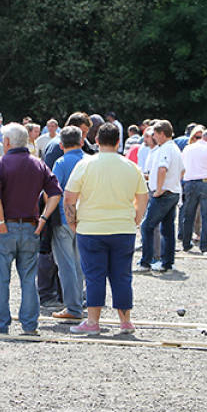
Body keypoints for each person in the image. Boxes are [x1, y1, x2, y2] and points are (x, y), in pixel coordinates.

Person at [64, 122, 148, 335]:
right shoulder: (131, 166)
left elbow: (69, 197)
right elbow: (143, 197)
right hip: (123, 228)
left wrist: (72, 222)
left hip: (91, 229)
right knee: (122, 276)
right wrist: (136, 219)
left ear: (97, 141)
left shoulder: (85, 164)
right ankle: (125, 321)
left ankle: (93, 321)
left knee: (94, 276)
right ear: (119, 142)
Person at [0, 123, 62, 335]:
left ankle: (0, 324)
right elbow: (55, 193)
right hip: (31, 226)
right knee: (29, 279)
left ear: (7, 142)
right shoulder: (38, 164)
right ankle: (29, 325)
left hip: (6, 226)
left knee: (1, 279)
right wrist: (43, 219)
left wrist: (0, 222)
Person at [49, 126, 87, 322]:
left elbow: (53, 191)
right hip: (86, 219)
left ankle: (73, 306)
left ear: (61, 144)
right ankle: (80, 301)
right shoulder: (89, 161)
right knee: (80, 264)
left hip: (64, 219)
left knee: (66, 265)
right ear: (81, 142)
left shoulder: (61, 162)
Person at [137, 120, 183, 273]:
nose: (154, 137)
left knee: (147, 226)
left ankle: (146, 262)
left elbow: (162, 169)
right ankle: (167, 262)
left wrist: (159, 189)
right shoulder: (175, 148)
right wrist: (172, 183)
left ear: (162, 134)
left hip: (164, 194)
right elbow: (182, 170)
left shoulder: (165, 149)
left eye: (155, 134)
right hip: (173, 192)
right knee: (168, 228)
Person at [180, 128, 207, 254]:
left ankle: (186, 243)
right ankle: (204, 245)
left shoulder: (187, 149)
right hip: (205, 183)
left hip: (189, 182)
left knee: (188, 215)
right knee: (206, 215)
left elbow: (182, 167)